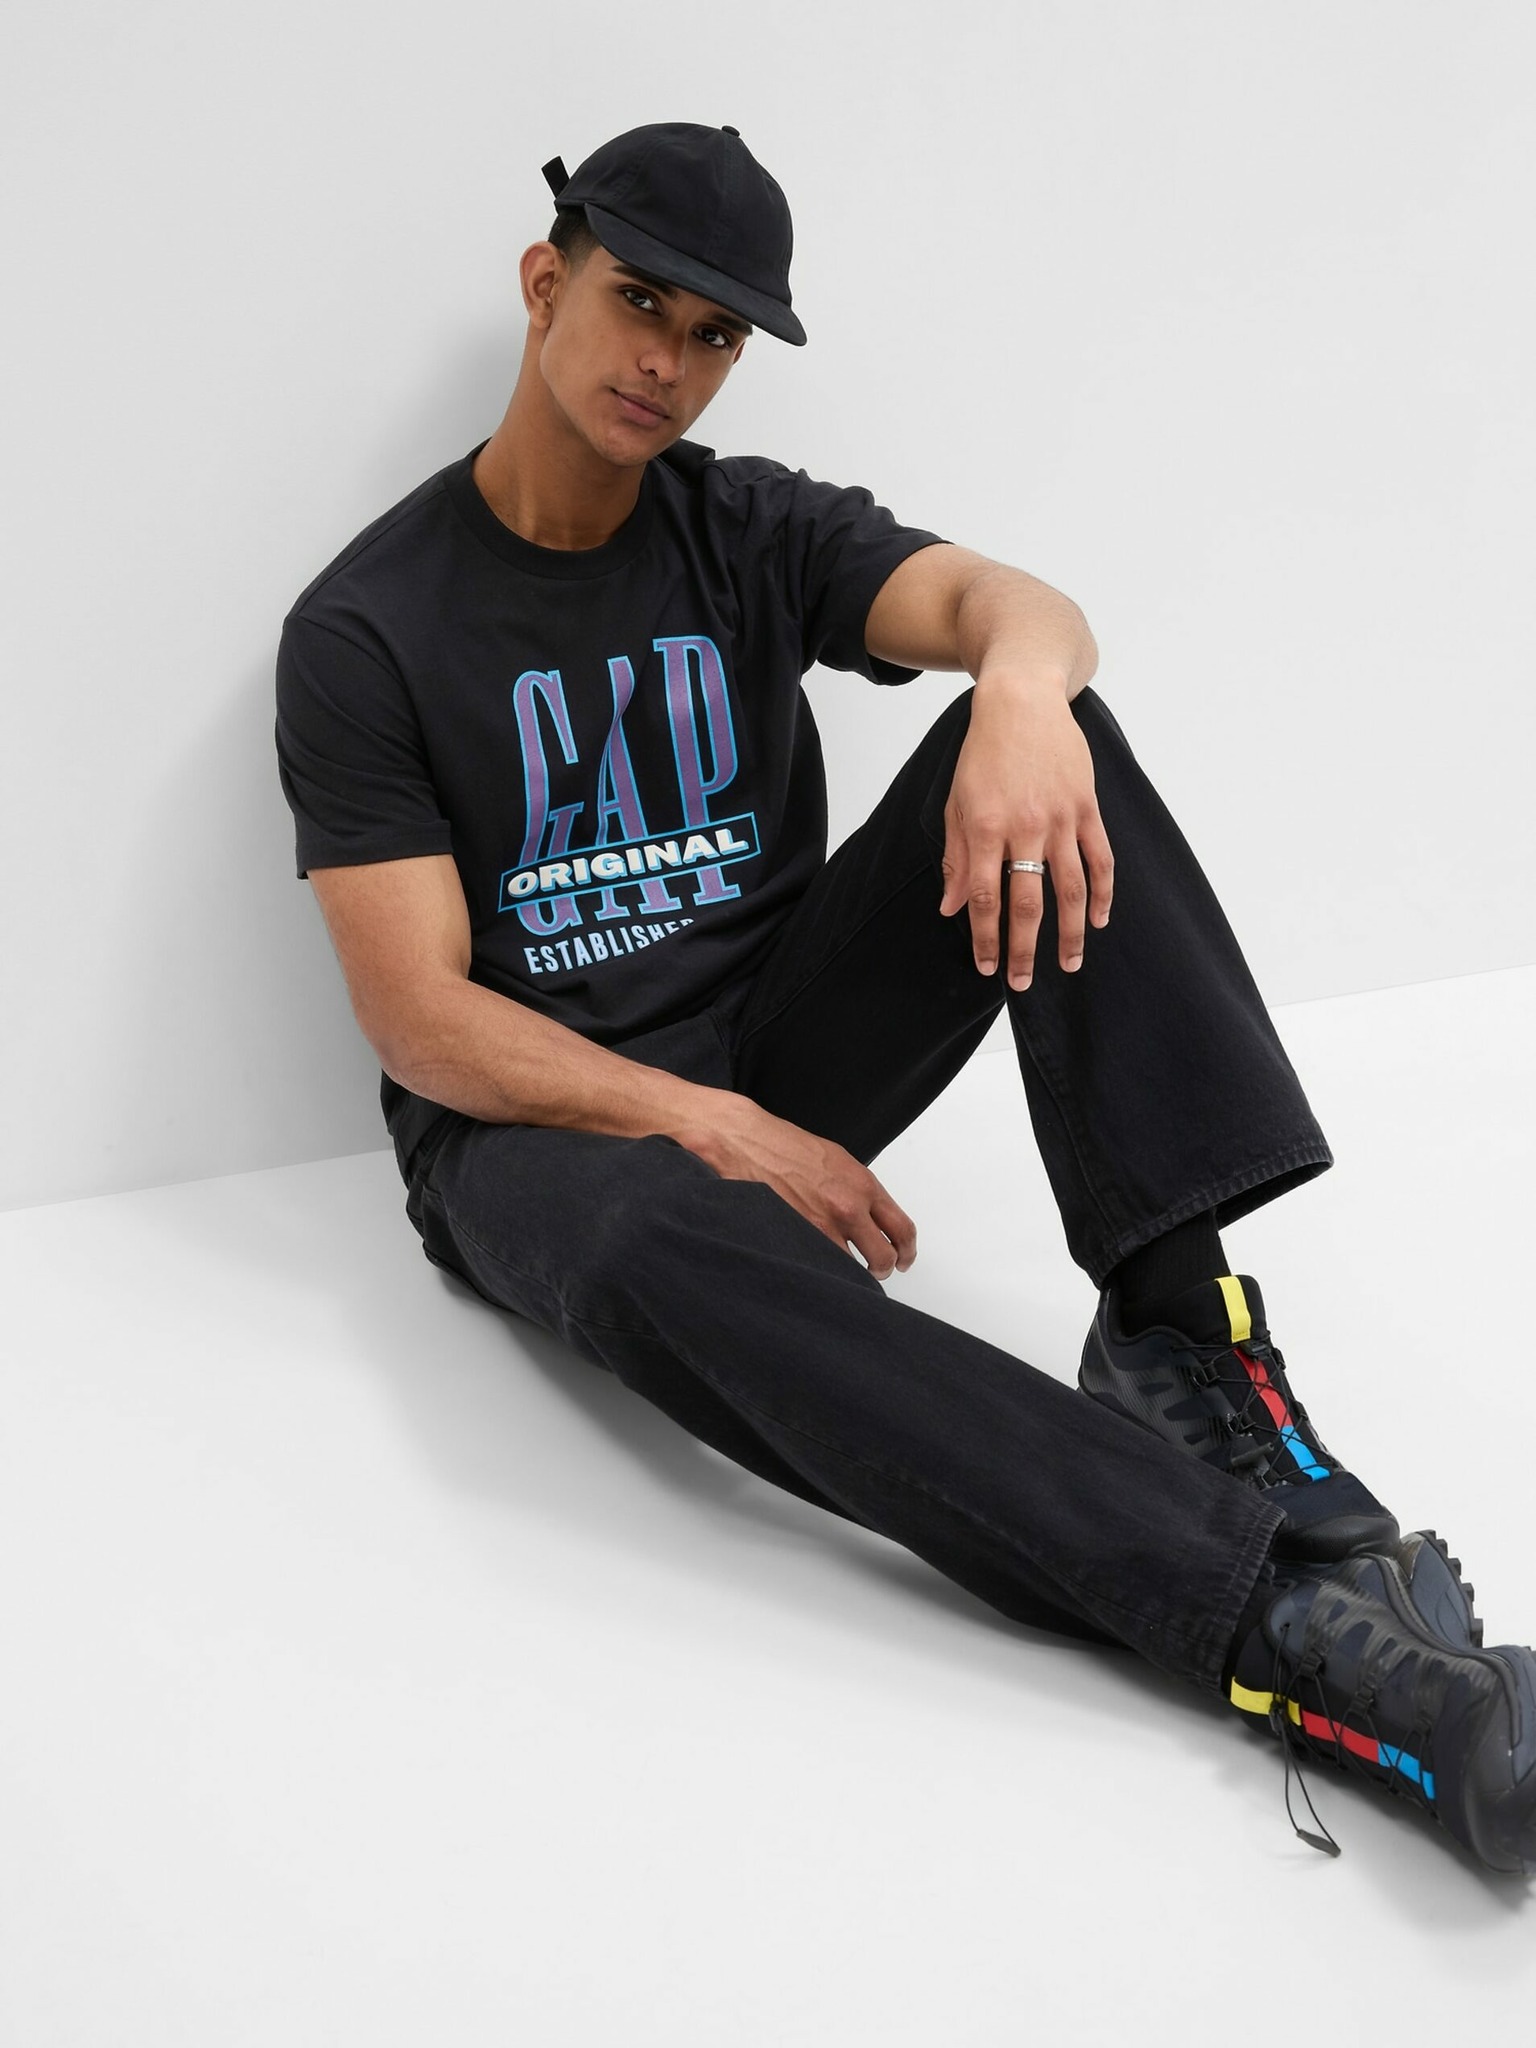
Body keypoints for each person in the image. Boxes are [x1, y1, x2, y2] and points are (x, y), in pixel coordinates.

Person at [275, 121, 1535, 1874]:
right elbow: (419, 1020)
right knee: (646, 1238)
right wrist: (709, 1129)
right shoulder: (369, 627)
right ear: (544, 281)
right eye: (639, 303)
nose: (668, 364)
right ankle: (1300, 1642)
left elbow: (1013, 606)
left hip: (774, 1042)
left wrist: (1018, 697)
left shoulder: (742, 528)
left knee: (1051, 752)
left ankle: (1175, 1335)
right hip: (536, 1132)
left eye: (715, 334)